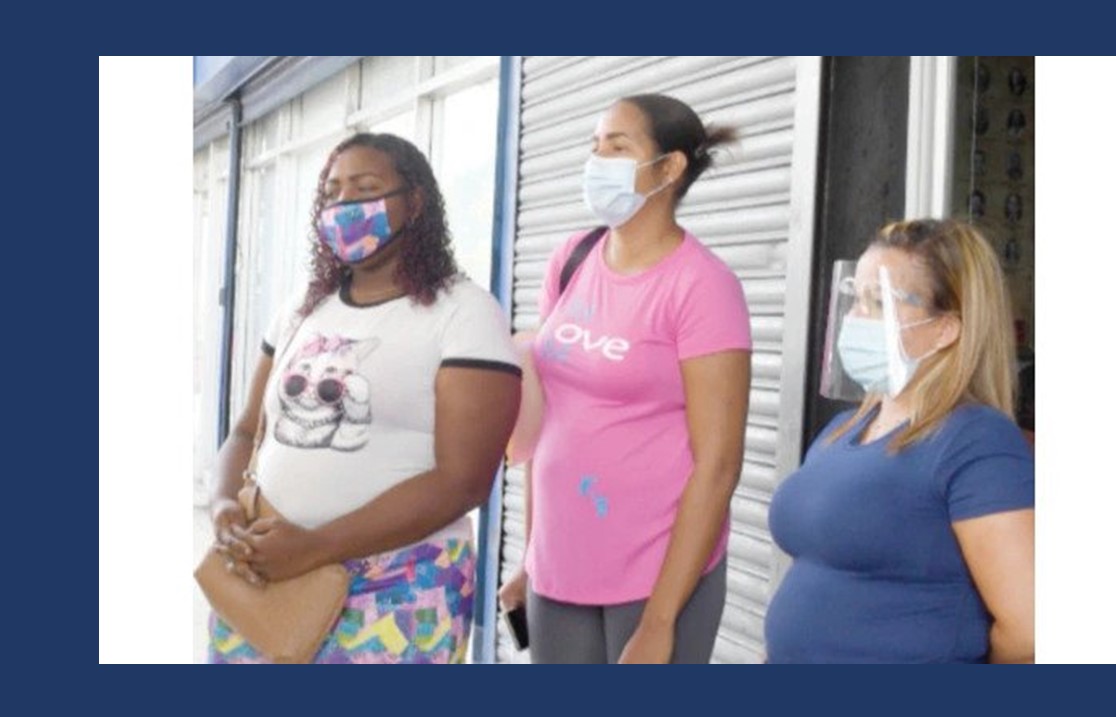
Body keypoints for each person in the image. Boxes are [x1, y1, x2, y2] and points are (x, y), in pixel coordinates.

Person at [206, 132, 521, 663]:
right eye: (332, 192)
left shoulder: (464, 314)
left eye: (366, 188)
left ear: (414, 203)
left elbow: (463, 481)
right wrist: (222, 506)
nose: (343, 204)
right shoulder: (303, 308)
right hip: (267, 577)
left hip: (397, 586)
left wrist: (314, 547)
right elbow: (244, 431)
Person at [498, 94, 752, 664]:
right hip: (559, 567)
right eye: (594, 147)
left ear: (669, 168)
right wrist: (532, 555)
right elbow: (549, 423)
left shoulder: (702, 286)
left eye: (617, 147)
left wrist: (661, 620)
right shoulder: (572, 258)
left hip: (656, 573)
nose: (597, 161)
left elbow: (719, 466)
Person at [766, 218, 1034, 663]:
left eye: (879, 303)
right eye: (855, 299)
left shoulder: (976, 441)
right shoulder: (843, 428)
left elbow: (1028, 630)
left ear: (946, 327)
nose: (855, 318)